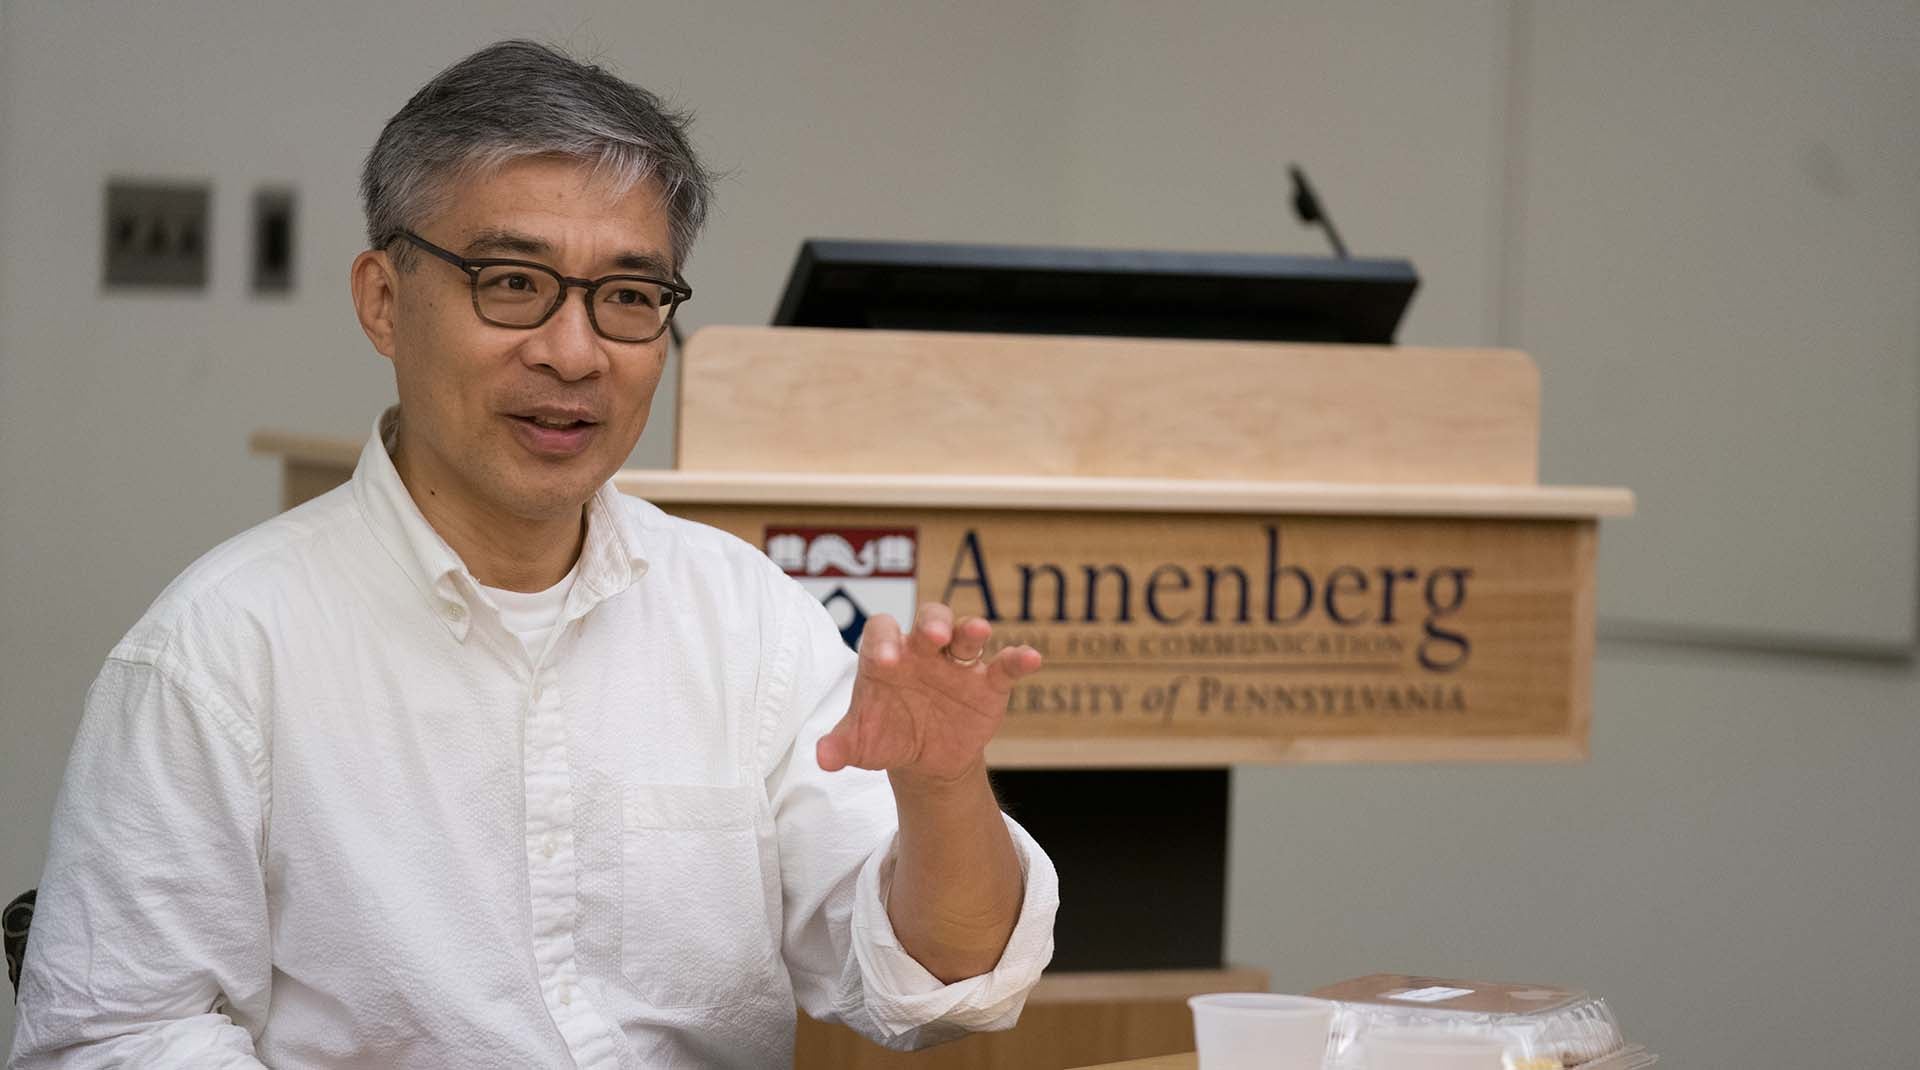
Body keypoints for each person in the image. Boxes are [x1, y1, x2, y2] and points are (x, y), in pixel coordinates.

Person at [9, 39, 1057, 1069]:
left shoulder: (745, 613)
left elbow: (939, 983)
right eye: (512, 282)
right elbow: (116, 1036)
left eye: (630, 296)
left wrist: (944, 786)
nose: (573, 350)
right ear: (383, 298)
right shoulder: (219, 649)